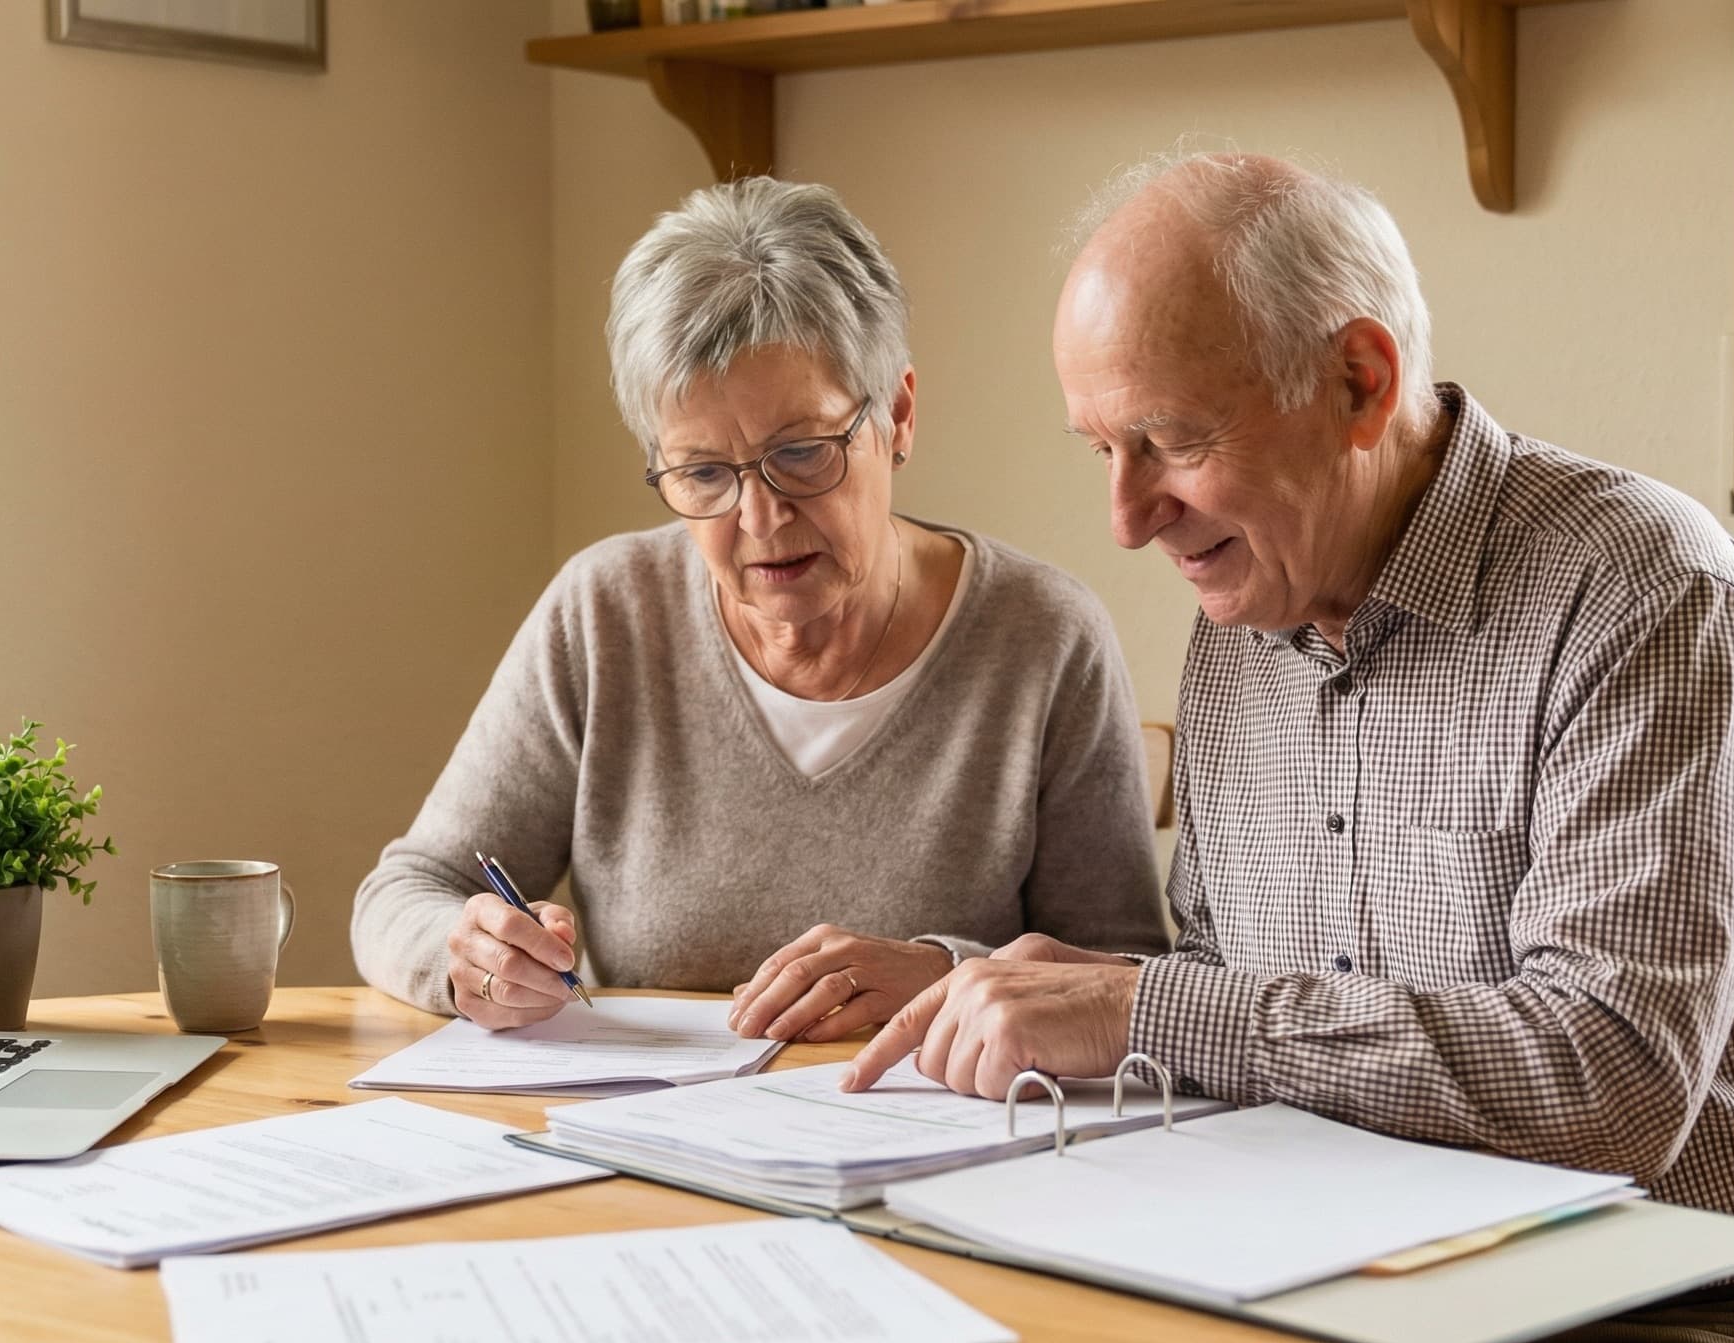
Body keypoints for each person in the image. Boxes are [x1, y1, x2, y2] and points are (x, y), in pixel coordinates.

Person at [844, 151, 1734, 1343]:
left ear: (1359, 381)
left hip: (1681, 1333)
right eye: (1103, 450)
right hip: (1342, 1308)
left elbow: (1614, 1084)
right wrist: (973, 985)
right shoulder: (1241, 630)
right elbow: (1225, 1006)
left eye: (1172, 440)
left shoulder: (1643, 589)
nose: (1128, 514)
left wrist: (1141, 1005)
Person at [352, 176, 1164, 1039]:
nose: (762, 518)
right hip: (643, 1143)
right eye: (703, 473)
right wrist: (465, 951)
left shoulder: (1042, 638)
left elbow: (1133, 982)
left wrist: (949, 974)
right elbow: (404, 893)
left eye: (802, 453)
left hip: (939, 1152)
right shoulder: (604, 617)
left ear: (897, 414)